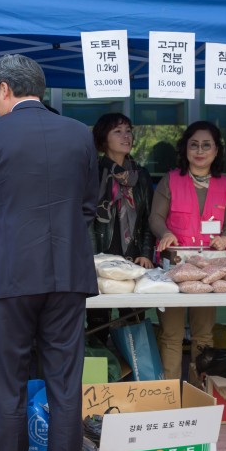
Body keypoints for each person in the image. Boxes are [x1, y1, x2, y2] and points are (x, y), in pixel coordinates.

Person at [0, 54, 98, 451]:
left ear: (3, 89)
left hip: (11, 277)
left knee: (8, 387)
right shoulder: (79, 133)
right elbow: (89, 204)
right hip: (68, 274)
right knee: (66, 388)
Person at [149, 121, 226, 382]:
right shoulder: (171, 180)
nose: (200, 150)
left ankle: (200, 391)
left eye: (206, 145)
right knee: (171, 333)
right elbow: (155, 217)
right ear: (185, 149)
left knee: (203, 334)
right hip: (174, 267)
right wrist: (164, 232)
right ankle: (169, 394)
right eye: (194, 144)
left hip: (210, 270)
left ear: (216, 150)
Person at [89, 112, 154, 341]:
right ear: (103, 138)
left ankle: (135, 373)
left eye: (128, 131)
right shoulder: (93, 173)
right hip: (101, 258)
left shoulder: (141, 175)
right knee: (98, 325)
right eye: (118, 131)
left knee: (134, 323)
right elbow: (86, 219)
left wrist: (146, 253)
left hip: (133, 259)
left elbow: (148, 218)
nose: (126, 136)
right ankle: (103, 372)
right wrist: (93, 258)